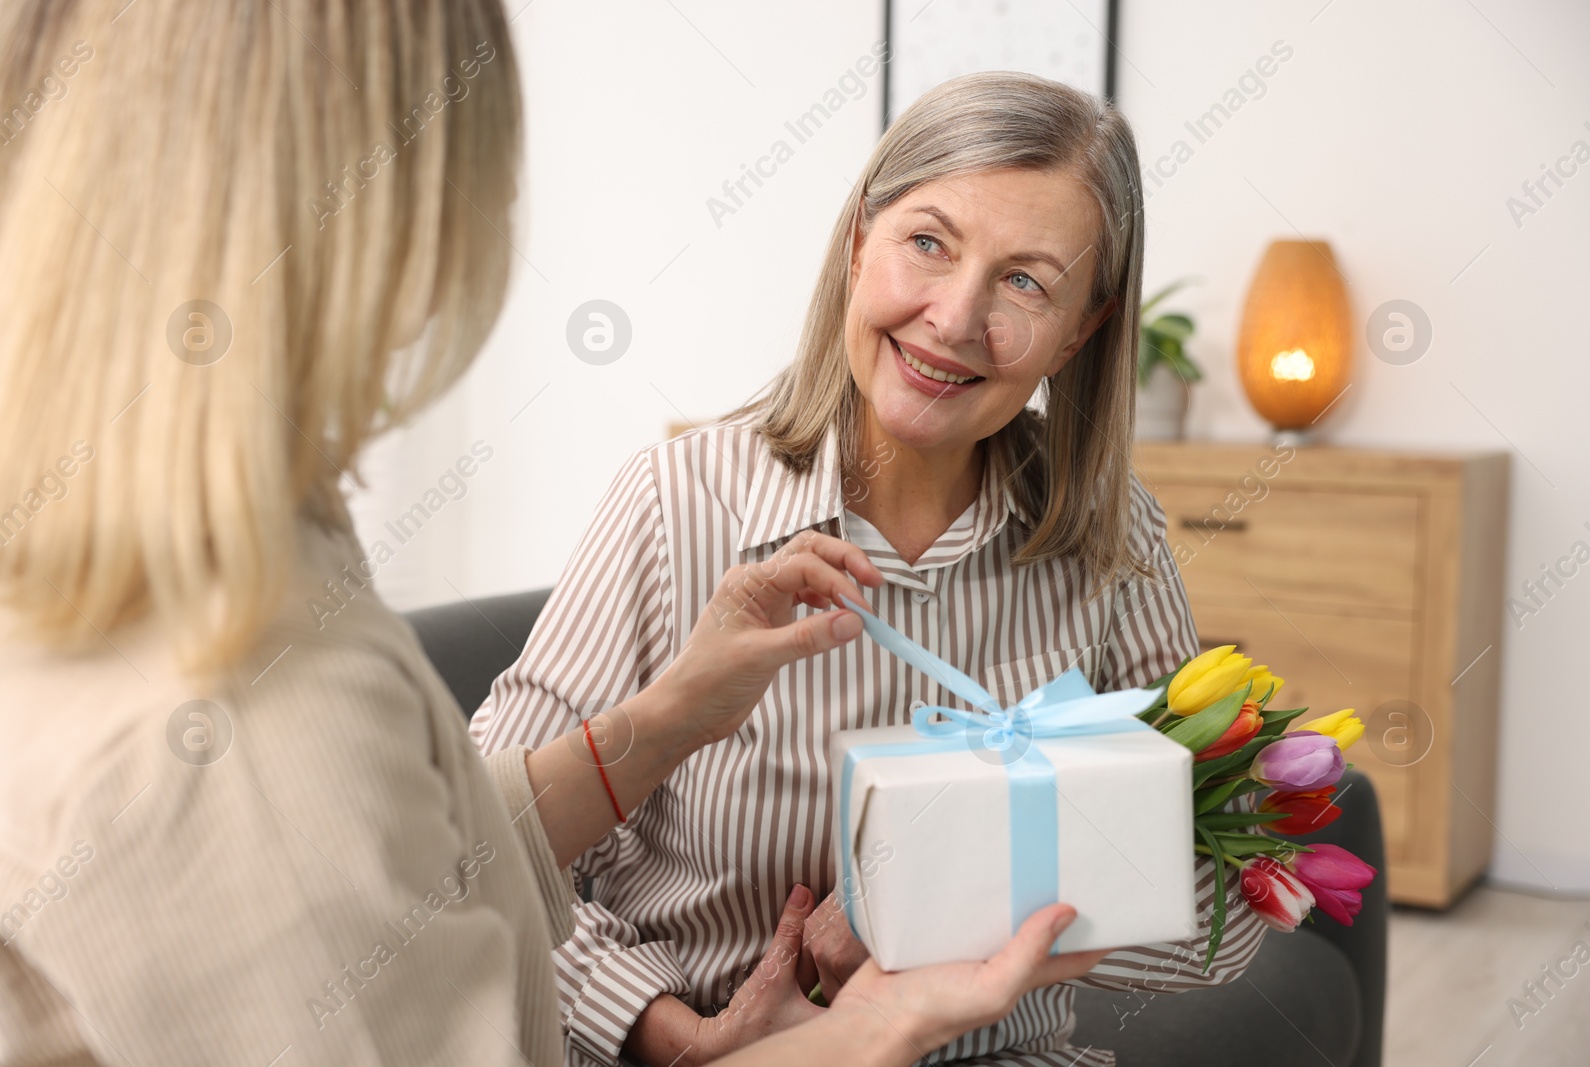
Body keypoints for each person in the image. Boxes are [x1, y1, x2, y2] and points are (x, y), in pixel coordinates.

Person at [0, 4, 1113, 1064]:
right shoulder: (247, 712)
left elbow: (435, 848)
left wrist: (665, 719)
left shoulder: (231, 539)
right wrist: (863, 1027)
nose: (958, 316)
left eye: (1023, 280)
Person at [471, 71, 1270, 1067]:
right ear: (858, 241)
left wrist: (939, 893)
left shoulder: (1116, 540)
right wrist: (671, 1032)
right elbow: (468, 859)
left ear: (1083, 328)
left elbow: (1228, 918)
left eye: (1025, 281)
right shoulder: (676, 501)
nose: (951, 316)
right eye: (927, 242)